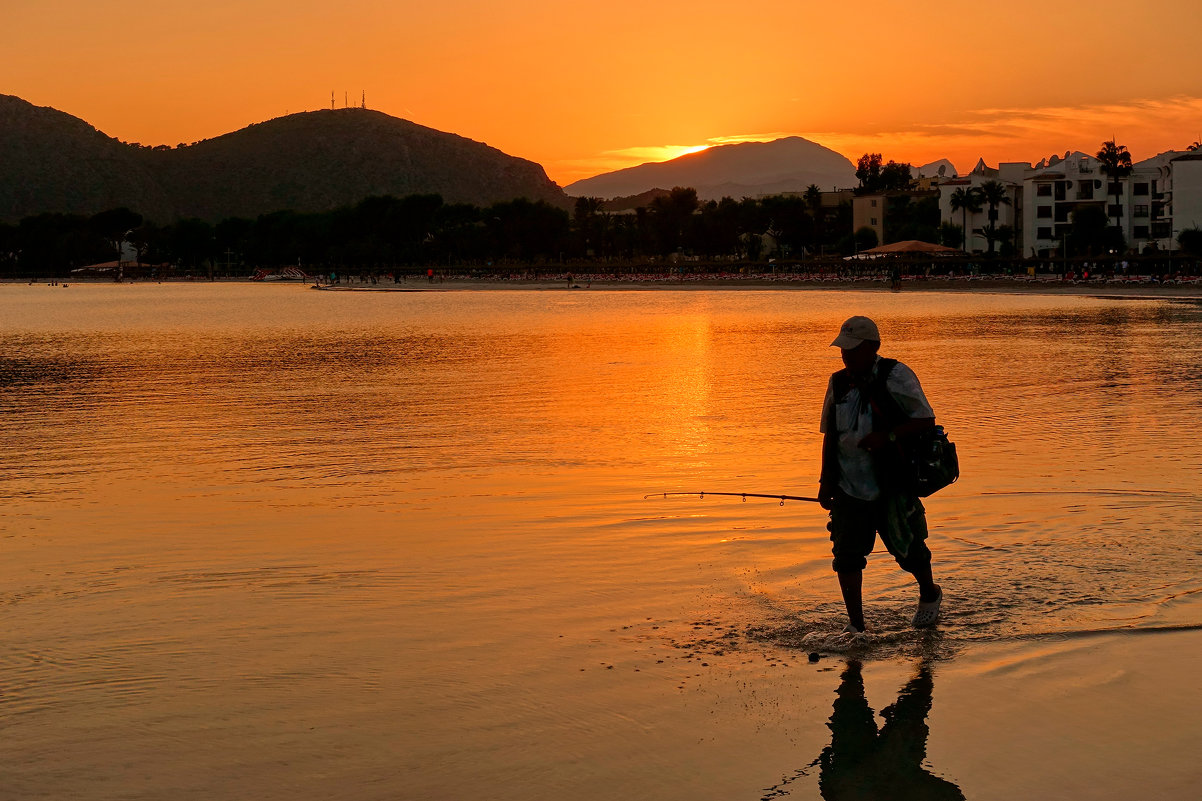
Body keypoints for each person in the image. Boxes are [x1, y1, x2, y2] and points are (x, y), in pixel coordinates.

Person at [818, 316, 943, 633]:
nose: (846, 356)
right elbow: (830, 435)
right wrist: (825, 482)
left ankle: (929, 593)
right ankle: (857, 627)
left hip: (893, 483)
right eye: (843, 350)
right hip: (848, 487)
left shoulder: (896, 375)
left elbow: (925, 421)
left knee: (910, 551)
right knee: (846, 556)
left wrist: (886, 437)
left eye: (853, 350)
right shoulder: (837, 383)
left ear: (873, 347)